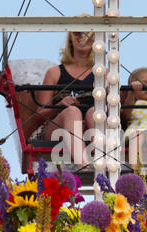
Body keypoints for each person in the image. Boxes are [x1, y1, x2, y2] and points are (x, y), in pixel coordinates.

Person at [30, 30, 96, 169]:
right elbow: (39, 114)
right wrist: (60, 105)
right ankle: (83, 166)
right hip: (58, 128)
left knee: (95, 112)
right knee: (72, 112)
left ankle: (102, 162)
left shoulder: (103, 73)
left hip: (90, 126)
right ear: (70, 37)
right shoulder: (54, 73)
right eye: (77, 33)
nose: (83, 36)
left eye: (89, 33)